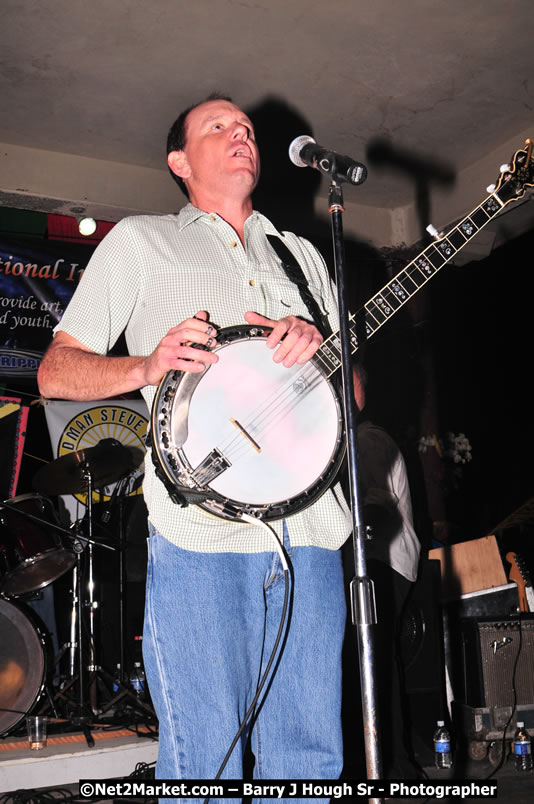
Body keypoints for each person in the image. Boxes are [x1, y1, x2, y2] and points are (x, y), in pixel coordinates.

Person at [37, 94, 353, 793]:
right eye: (218, 126)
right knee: (205, 757)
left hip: (313, 530)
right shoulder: (142, 242)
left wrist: (319, 350)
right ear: (179, 162)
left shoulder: (300, 254)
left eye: (245, 128)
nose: (240, 132)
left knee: (310, 761)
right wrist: (147, 366)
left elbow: (354, 399)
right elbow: (56, 371)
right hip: (200, 533)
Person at [351, 365, 421, 778]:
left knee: (372, 663)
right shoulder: (366, 438)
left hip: (380, 561)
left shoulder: (365, 440)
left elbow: (373, 504)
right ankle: (387, 762)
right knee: (377, 661)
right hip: (390, 563)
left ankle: (391, 766)